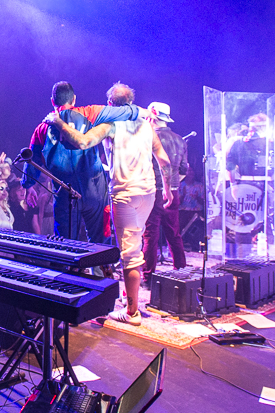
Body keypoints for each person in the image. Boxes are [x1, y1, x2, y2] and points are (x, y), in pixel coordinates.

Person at [46, 83, 172, 326]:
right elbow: (164, 160)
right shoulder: (147, 125)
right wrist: (168, 188)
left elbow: (82, 142)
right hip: (148, 192)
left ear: (111, 104)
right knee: (133, 245)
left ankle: (132, 312)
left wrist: (58, 123)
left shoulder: (111, 124)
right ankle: (126, 301)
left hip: (125, 193)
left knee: (129, 253)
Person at [24, 81, 147, 244]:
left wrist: (28, 186)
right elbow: (126, 112)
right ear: (74, 99)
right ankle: (103, 270)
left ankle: (69, 269)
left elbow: (32, 158)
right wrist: (141, 111)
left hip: (64, 192)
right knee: (100, 241)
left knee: (65, 243)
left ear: (53, 101)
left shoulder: (42, 128)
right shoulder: (90, 113)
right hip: (94, 189)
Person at [143, 102, 188, 278]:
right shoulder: (179, 140)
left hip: (153, 191)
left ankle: (148, 276)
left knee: (150, 235)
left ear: (152, 116)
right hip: (173, 192)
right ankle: (183, 272)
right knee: (174, 234)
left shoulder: (148, 137)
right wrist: (173, 184)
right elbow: (184, 169)